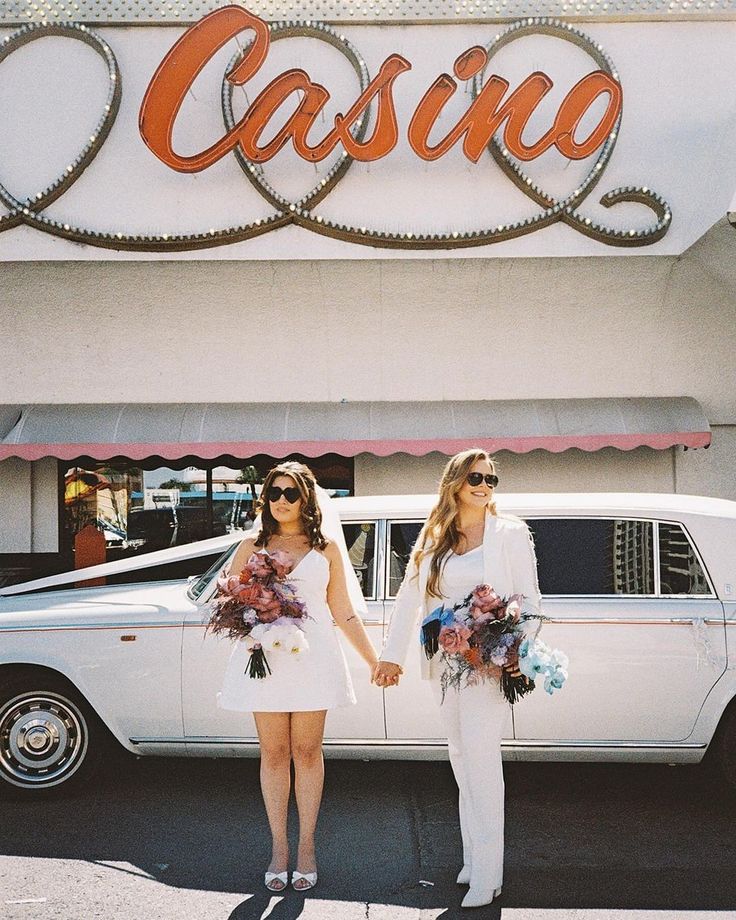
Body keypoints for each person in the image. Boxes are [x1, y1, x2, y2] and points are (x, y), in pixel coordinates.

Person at [373, 448, 541, 909]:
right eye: (475, 478)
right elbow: (410, 598)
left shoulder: (510, 533)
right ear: (455, 484)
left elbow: (529, 600)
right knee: (462, 759)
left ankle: (490, 874)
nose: (485, 486)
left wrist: (513, 651)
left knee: (484, 763)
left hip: (488, 663)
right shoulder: (434, 535)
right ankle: (473, 859)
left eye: (491, 479)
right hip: (443, 663)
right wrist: (391, 657)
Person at [217, 461, 379, 892]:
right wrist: (252, 606)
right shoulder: (252, 545)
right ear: (265, 498)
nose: (283, 500)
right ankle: (279, 849)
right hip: (266, 659)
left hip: (313, 658)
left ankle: (306, 846)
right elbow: (231, 603)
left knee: (307, 752)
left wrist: (374, 661)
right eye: (275, 492)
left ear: (306, 498)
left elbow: (342, 610)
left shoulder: (326, 549)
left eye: (291, 493)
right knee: (273, 753)